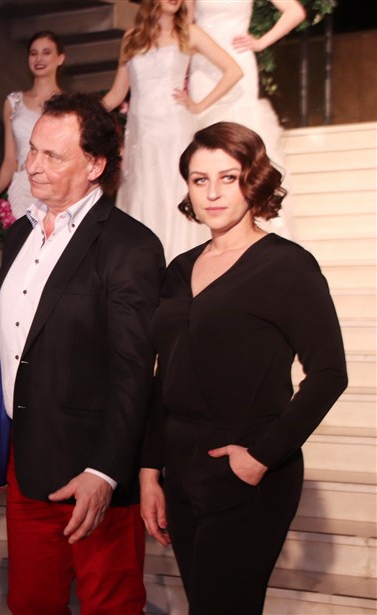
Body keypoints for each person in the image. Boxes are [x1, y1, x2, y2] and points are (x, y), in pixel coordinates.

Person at [140, 122, 348, 614]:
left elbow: (329, 374)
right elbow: (163, 375)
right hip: (180, 467)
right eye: (199, 180)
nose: (212, 193)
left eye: (227, 178)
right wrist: (150, 471)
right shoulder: (179, 269)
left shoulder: (287, 265)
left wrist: (260, 457)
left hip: (247, 466)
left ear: (252, 181)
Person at [0, 93, 165, 614]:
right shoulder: (18, 235)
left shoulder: (129, 245)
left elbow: (134, 372)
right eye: (33, 150)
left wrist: (105, 472)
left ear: (95, 165)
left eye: (52, 156)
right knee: (30, 604)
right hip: (26, 463)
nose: (33, 166)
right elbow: (4, 345)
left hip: (93, 470)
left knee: (110, 606)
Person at [102, 0, 242, 261]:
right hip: (142, 137)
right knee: (144, 194)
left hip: (175, 131)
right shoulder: (131, 38)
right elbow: (117, 93)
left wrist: (198, 105)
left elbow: (233, 71)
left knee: (174, 192)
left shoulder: (189, 33)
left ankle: (181, 264)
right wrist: (81, 113)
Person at [187, 0, 306, 236]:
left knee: (242, 144)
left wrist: (261, 42)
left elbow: (295, 11)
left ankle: (253, 223)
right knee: (203, 141)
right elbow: (184, 21)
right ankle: (203, 225)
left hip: (239, 60)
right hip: (203, 66)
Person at [0, 31, 65, 221]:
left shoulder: (68, 104)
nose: (39, 58)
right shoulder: (13, 102)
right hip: (23, 187)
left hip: (55, 184)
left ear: (60, 58)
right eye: (33, 53)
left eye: (46, 52)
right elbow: (10, 160)